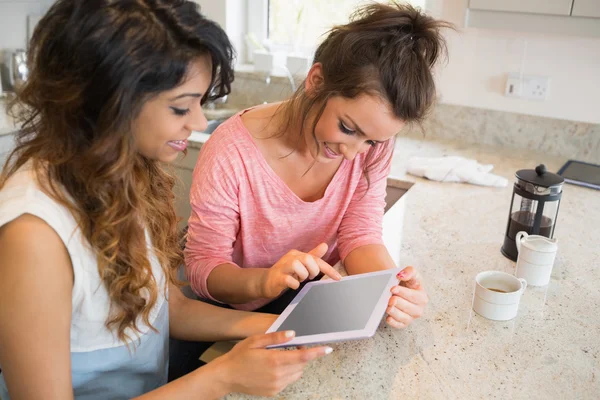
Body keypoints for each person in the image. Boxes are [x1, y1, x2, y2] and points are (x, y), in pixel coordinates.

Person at [0, 1, 332, 399]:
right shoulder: (33, 234)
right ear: (107, 101)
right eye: (180, 106)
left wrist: (279, 327)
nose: (197, 122)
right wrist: (223, 377)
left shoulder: (124, 176)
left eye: (199, 103)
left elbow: (163, 309)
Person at [185, 2, 451, 323]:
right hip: (248, 306)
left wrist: (389, 287)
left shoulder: (373, 145)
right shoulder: (231, 151)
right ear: (316, 80)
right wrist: (266, 280)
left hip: (324, 297)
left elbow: (360, 233)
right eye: (348, 129)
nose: (355, 153)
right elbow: (203, 266)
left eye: (372, 141)